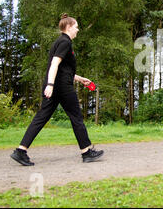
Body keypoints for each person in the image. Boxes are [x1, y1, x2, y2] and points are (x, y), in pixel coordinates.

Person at [10, 14, 104, 166]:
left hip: (57, 85)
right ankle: (86, 152)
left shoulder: (60, 42)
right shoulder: (65, 42)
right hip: (61, 88)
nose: (78, 30)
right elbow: (54, 64)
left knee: (41, 117)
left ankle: (21, 151)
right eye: (76, 27)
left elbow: (63, 68)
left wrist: (79, 79)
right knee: (76, 117)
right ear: (68, 27)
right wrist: (50, 85)